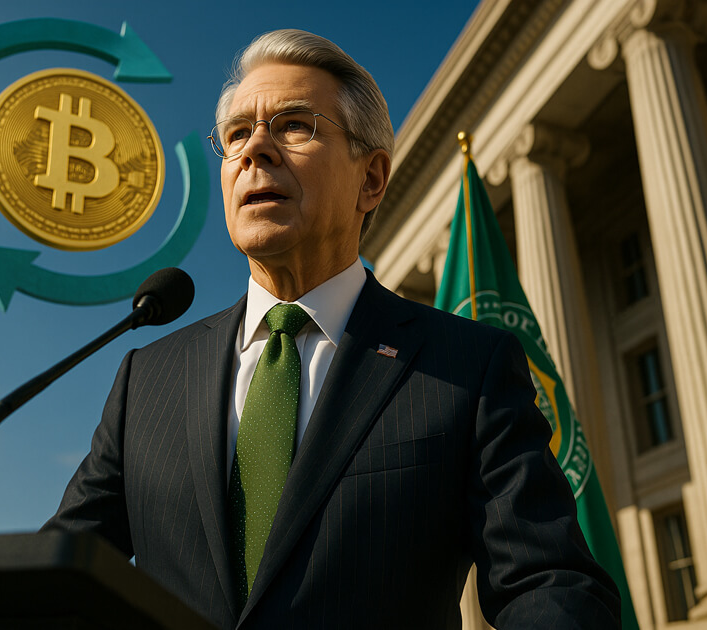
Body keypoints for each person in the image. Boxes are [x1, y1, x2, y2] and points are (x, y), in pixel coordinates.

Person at [44, 29, 620, 630]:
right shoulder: (147, 379)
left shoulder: (467, 364)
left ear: (371, 179)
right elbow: (57, 579)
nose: (254, 150)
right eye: (238, 133)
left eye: (295, 126)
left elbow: (548, 583)